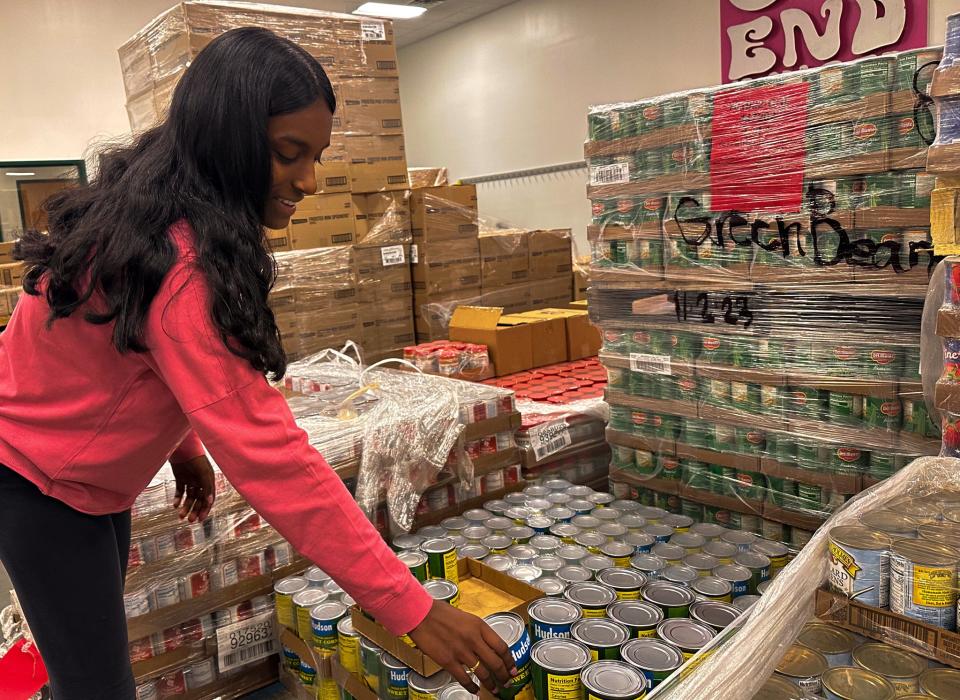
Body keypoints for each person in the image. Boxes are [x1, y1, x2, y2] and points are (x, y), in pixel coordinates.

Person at [0, 27, 514, 700]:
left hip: (82, 479)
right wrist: (412, 609)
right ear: (227, 139)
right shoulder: (182, 267)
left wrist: (181, 442)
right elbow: (274, 460)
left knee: (93, 672)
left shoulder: (156, 204)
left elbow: (124, 350)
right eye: (287, 154)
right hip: (39, 488)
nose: (310, 179)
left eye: (317, 154)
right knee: (98, 688)